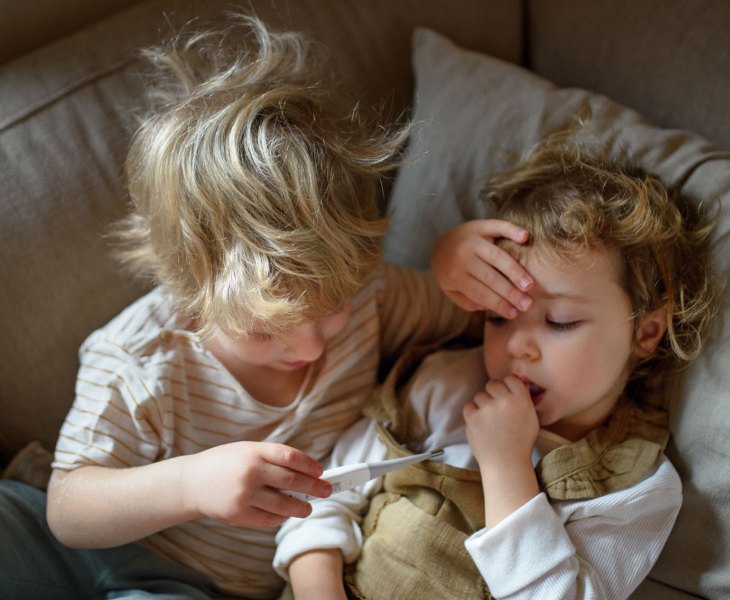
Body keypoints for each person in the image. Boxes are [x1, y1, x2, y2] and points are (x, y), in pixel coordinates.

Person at [0, 16, 531, 600]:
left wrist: (452, 261)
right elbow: (69, 511)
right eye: (261, 331)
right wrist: (191, 485)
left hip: (197, 587)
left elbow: (488, 318)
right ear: (190, 296)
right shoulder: (139, 356)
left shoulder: (374, 295)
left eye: (333, 307)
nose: (310, 347)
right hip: (72, 538)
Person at [274, 141, 723, 599]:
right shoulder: (446, 385)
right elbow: (321, 495)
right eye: (497, 317)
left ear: (646, 332)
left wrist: (506, 465)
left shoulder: (636, 487)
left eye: (559, 321)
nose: (516, 346)